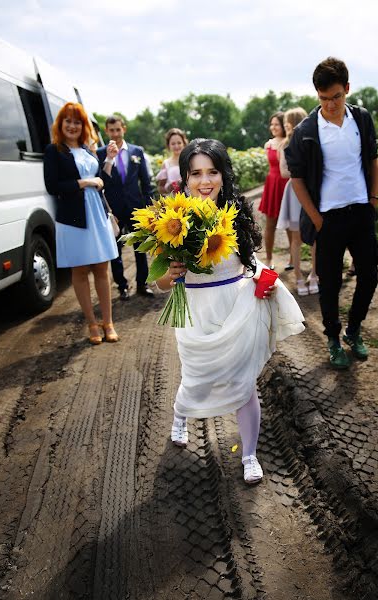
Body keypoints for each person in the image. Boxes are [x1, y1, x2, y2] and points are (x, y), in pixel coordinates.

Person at [156, 139, 305, 484]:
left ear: (223, 175)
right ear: (185, 178)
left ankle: (250, 455)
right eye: (196, 173)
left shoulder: (237, 213)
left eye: (212, 172)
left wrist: (262, 279)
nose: (205, 181)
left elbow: (248, 263)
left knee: (244, 384)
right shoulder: (171, 219)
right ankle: (180, 417)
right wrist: (170, 275)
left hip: (237, 311)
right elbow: (159, 283)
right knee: (196, 377)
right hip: (195, 312)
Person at [285, 57, 378, 369]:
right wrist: (316, 218)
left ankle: (354, 330)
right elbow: (296, 179)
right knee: (329, 283)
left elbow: (373, 160)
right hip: (328, 219)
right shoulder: (306, 131)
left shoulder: (361, 120)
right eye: (323, 99)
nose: (331, 105)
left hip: (361, 212)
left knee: (368, 276)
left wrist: (374, 200)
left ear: (347, 90)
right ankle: (333, 339)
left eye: (336, 97)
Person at [43, 102, 119, 344]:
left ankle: (108, 322)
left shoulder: (88, 150)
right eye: (68, 121)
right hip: (73, 219)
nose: (73, 126)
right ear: (61, 124)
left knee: (101, 269)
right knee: (80, 270)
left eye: (77, 121)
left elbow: (102, 182)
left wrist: (108, 160)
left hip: (96, 214)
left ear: (83, 125)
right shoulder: (53, 151)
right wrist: (84, 182)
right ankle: (91, 324)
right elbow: (52, 186)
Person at [97, 115, 155, 300]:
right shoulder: (100, 153)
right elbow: (101, 182)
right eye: (111, 130)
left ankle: (142, 284)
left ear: (124, 129)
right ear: (106, 131)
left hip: (136, 207)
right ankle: (122, 286)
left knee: (140, 247)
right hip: (113, 209)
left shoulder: (137, 151)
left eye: (118, 129)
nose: (115, 133)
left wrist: (149, 207)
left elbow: (145, 182)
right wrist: (109, 159)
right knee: (116, 249)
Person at [277, 107, 318, 296]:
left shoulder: (310, 141)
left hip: (310, 189)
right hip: (294, 190)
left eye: (288, 125)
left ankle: (315, 274)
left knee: (314, 234)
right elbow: (284, 172)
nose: (287, 129)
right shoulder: (284, 146)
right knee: (296, 238)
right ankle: (299, 276)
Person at [258, 112, 290, 270]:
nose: (273, 127)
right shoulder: (268, 144)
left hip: (286, 184)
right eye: (272, 124)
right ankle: (269, 259)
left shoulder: (288, 142)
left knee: (291, 224)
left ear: (284, 125)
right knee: (270, 223)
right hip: (272, 184)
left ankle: (292, 258)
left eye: (276, 124)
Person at [156, 128, 188, 195]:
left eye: (179, 143)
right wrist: (169, 188)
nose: (176, 146)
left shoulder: (190, 161)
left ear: (184, 143)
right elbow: (160, 187)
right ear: (168, 145)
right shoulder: (166, 163)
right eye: (173, 144)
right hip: (174, 201)